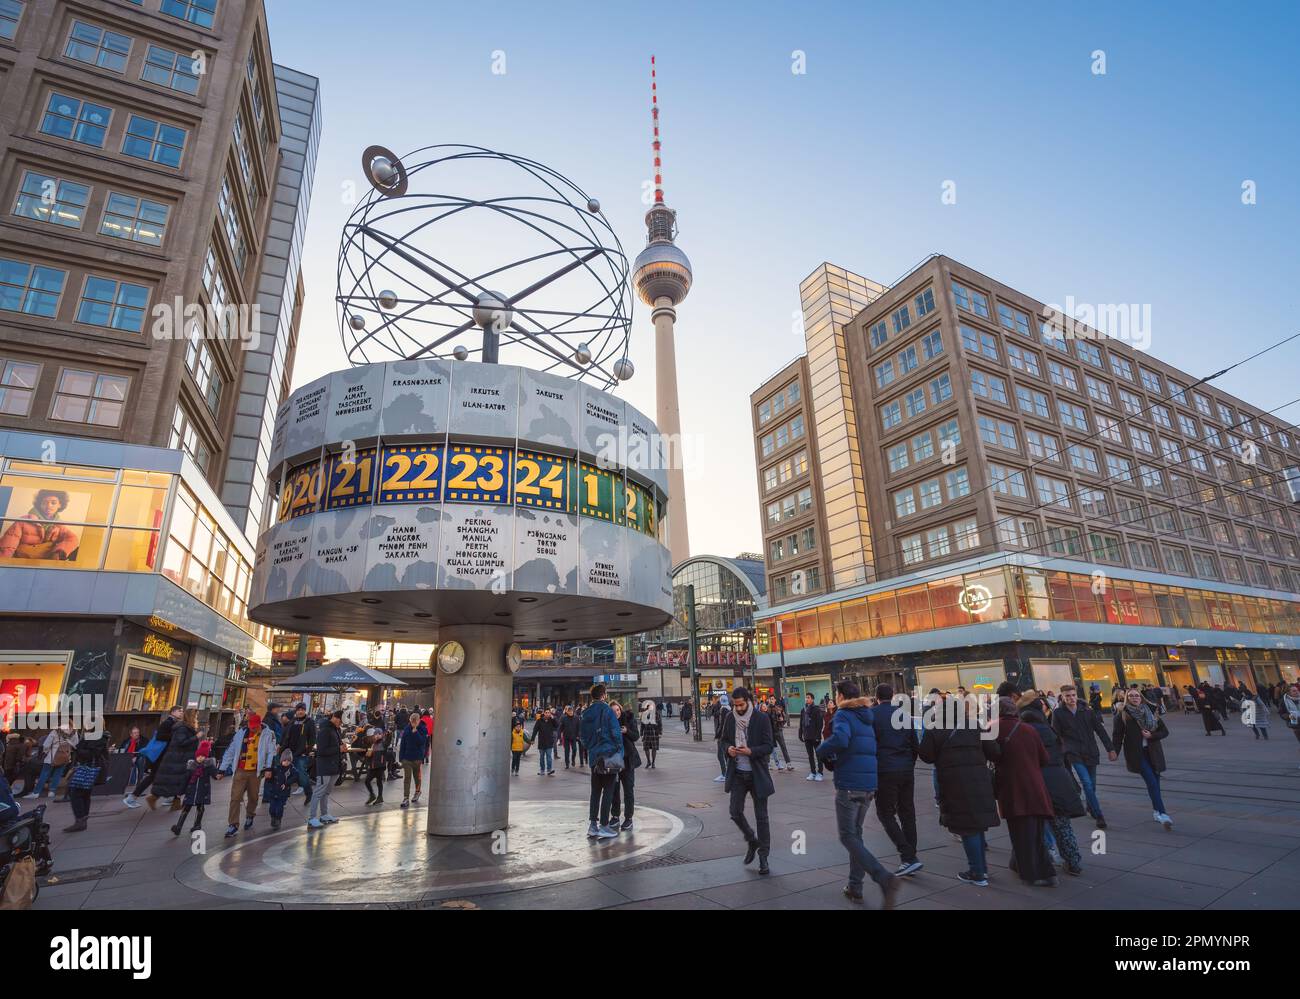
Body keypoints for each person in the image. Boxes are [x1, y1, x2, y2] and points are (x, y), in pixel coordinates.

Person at [815, 681, 898, 906]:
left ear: (841, 696)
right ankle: (855, 887)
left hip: (850, 784)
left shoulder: (843, 715)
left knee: (847, 836)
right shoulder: (865, 716)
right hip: (869, 784)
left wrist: (821, 750)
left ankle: (883, 877)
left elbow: (841, 739)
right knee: (856, 835)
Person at [918, 692, 1001, 886]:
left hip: (953, 782)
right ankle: (983, 869)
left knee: (967, 827)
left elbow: (926, 756)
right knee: (977, 826)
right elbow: (994, 751)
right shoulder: (975, 726)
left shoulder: (935, 729)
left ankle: (977, 872)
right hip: (979, 780)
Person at [993, 696, 1056, 886]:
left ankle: (1030, 873)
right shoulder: (1029, 729)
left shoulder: (994, 729)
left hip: (1012, 788)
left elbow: (991, 755)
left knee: (1020, 833)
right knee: (1036, 833)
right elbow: (1044, 758)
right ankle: (1047, 872)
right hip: (1036, 787)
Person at [1020, 698, 1085, 876]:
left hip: (1038, 781)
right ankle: (1074, 861)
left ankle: (1046, 857)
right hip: (1058, 779)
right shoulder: (1049, 729)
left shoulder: (1025, 731)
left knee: (1039, 825)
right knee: (1062, 825)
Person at [720, 687, 775, 876]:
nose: (739, 708)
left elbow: (769, 745)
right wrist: (729, 750)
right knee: (735, 812)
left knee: (762, 817)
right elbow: (724, 741)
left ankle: (763, 857)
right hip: (738, 774)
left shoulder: (761, 718)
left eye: (741, 704)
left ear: (748, 701)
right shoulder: (729, 718)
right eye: (735, 705)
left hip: (757, 774)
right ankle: (752, 839)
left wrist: (751, 751)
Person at [869, 684, 922, 876]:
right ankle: (910, 858)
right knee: (907, 812)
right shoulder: (904, 715)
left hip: (885, 769)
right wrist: (909, 763)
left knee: (885, 812)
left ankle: (908, 856)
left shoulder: (872, 715)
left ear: (876, 697)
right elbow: (915, 744)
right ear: (892, 696)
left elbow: (870, 744)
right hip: (906, 768)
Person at [1051, 683, 1116, 829]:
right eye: (1067, 696)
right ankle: (1099, 815)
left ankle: (1090, 805)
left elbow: (1100, 730)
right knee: (1086, 782)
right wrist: (1059, 752)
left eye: (1073, 695)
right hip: (1073, 753)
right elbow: (1056, 734)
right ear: (1062, 697)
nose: (1071, 698)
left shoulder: (1087, 711)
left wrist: (1110, 749)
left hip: (1091, 751)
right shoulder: (1058, 713)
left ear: (1076, 695)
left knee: (1091, 784)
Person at [1113, 687, 1173, 830]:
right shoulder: (1122, 715)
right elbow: (1117, 735)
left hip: (1153, 752)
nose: (1135, 698)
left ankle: (1156, 811)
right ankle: (1163, 814)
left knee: (1155, 782)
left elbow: (1165, 732)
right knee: (1152, 781)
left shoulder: (1151, 711)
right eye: (1131, 696)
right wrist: (1114, 751)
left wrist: (1151, 736)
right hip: (1137, 754)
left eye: (1137, 696)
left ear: (1141, 697)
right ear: (1127, 698)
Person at [218, 712, 277, 838]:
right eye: (251, 726)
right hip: (240, 769)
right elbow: (231, 750)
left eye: (255, 726)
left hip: (256, 771)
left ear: (260, 724)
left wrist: (268, 768)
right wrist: (222, 769)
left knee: (253, 797)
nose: (252, 728)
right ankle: (233, 824)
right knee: (235, 797)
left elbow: (271, 752)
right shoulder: (240, 733)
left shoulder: (268, 734)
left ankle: (250, 815)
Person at [580, 683, 622, 839]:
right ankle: (604, 825)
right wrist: (617, 748)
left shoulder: (586, 713)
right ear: (603, 695)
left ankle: (593, 825)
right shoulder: (607, 710)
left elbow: (583, 737)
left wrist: (591, 747)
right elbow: (615, 732)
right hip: (608, 755)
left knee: (595, 791)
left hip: (594, 757)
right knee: (608, 791)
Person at [0, 488, 80, 560]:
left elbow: (73, 539)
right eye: (44, 502)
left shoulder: (59, 525)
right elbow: (9, 542)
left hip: (44, 563)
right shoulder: (23, 521)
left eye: (53, 503)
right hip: (21, 559)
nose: (48, 506)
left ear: (60, 505)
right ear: (40, 504)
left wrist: (58, 553)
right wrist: (4, 563)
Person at [147, 709, 199, 811]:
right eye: (196, 716)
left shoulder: (186, 727)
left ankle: (174, 803)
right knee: (175, 781)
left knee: (178, 781)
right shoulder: (183, 728)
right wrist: (196, 737)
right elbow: (181, 742)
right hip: (178, 759)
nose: (197, 719)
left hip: (181, 758)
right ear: (191, 717)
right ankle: (155, 798)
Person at [171, 739, 219, 836]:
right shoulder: (191, 766)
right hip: (191, 791)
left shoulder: (208, 766)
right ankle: (178, 827)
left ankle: (197, 824)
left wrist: (218, 774)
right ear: (196, 755)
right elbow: (185, 780)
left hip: (202, 791)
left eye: (203, 756)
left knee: (200, 808)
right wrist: (180, 792)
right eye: (199, 756)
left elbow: (215, 774)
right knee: (186, 808)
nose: (200, 758)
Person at [609, 701, 642, 831]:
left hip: (628, 761)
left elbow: (636, 736)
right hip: (614, 761)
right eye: (613, 711)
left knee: (628, 790)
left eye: (617, 710)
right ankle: (615, 816)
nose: (616, 712)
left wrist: (626, 731)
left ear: (620, 709)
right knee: (614, 791)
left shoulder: (628, 719)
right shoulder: (608, 722)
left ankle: (628, 818)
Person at [23, 723, 77, 799]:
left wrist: (45, 752)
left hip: (52, 757)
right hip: (65, 756)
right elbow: (75, 744)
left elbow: (46, 745)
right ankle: (52, 792)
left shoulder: (55, 732)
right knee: (58, 774)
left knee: (44, 774)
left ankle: (36, 792)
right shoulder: (74, 732)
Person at [307, 710, 342, 829]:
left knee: (326, 792)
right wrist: (338, 749)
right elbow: (321, 751)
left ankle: (324, 814)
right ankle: (312, 818)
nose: (340, 723)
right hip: (325, 766)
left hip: (334, 766)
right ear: (334, 718)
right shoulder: (325, 730)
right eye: (339, 720)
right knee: (318, 792)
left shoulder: (335, 730)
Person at [62, 741, 104, 834]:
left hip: (87, 767)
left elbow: (92, 754)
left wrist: (77, 749)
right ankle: (82, 820)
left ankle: (80, 820)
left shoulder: (96, 737)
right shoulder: (94, 735)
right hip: (88, 767)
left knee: (76, 793)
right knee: (84, 793)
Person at [283, 703, 317, 799]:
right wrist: (282, 749)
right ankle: (285, 794)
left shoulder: (309, 722)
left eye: (302, 709)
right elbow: (287, 736)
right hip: (290, 752)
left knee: (302, 774)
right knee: (287, 774)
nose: (300, 711)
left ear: (305, 710)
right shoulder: (293, 721)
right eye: (299, 709)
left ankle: (308, 792)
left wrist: (307, 750)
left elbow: (313, 738)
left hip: (301, 753)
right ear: (296, 710)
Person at [398, 711, 428, 807]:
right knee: (407, 778)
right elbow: (403, 743)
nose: (413, 723)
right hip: (407, 757)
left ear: (419, 720)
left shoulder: (423, 729)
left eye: (415, 721)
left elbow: (421, 742)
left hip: (417, 758)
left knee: (416, 777)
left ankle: (417, 791)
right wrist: (401, 757)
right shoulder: (407, 729)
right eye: (411, 721)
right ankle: (405, 798)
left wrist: (415, 732)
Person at [799, 692, 825, 782]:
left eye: (808, 697)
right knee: (810, 756)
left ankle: (820, 773)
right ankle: (812, 772)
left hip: (815, 736)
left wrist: (818, 735)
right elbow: (801, 723)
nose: (807, 699)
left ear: (812, 699)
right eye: (806, 697)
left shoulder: (816, 709)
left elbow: (820, 723)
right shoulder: (803, 710)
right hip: (807, 736)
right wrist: (800, 734)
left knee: (818, 755)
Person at [266, 750, 295, 827]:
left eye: (288, 761)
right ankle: (273, 817)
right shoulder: (276, 768)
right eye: (285, 760)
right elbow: (269, 778)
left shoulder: (291, 769)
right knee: (272, 808)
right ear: (281, 760)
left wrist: (287, 783)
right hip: (274, 792)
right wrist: (268, 778)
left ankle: (278, 819)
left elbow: (295, 777)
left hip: (283, 793)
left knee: (279, 808)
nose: (286, 762)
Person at [760, 700, 792, 771]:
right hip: (768, 734)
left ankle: (784, 764)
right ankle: (769, 764)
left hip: (775, 732)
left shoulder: (775, 710)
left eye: (765, 706)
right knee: (769, 749)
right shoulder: (763, 714)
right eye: (763, 707)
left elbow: (782, 720)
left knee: (778, 748)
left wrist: (781, 724)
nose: (765, 708)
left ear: (775, 700)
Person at [363, 726, 388, 805]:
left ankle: (380, 797)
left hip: (380, 765)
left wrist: (387, 734)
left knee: (379, 781)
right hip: (373, 765)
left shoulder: (382, 743)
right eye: (375, 735)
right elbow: (364, 742)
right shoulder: (371, 743)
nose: (376, 736)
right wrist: (367, 755)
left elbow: (388, 741)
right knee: (367, 781)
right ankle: (372, 795)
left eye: (378, 734)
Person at [710, 693, 731, 783]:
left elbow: (722, 724)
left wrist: (718, 735)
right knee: (725, 755)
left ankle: (725, 774)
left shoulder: (723, 710)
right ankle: (727, 774)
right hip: (726, 735)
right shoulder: (729, 709)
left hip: (722, 736)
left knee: (721, 755)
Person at [531, 709, 557, 776]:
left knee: (549, 757)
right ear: (544, 713)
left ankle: (549, 770)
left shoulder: (551, 720)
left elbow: (557, 726)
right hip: (541, 742)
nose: (547, 714)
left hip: (549, 742)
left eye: (549, 713)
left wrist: (553, 718)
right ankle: (542, 770)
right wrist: (532, 739)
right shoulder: (539, 721)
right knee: (542, 757)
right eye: (546, 712)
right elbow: (535, 730)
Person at [639, 700, 660, 770]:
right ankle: (648, 761)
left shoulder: (656, 714)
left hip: (654, 733)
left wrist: (660, 733)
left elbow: (660, 724)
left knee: (654, 748)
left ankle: (653, 762)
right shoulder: (644, 714)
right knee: (646, 748)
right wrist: (641, 733)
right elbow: (642, 725)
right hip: (646, 733)